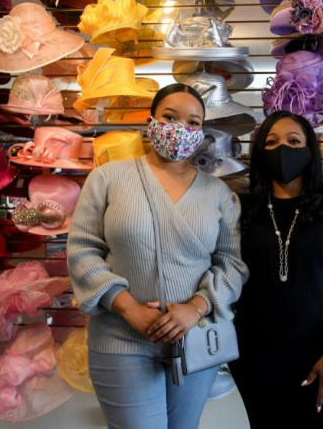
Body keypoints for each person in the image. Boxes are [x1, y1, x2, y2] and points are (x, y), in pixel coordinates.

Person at [67, 83, 249, 429]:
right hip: (120, 337)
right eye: (170, 116)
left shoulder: (218, 193)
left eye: (193, 122)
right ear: (151, 121)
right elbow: (82, 249)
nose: (181, 128)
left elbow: (232, 263)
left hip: (194, 338)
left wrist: (195, 308)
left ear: (202, 132)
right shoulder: (107, 178)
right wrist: (128, 308)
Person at [229, 110, 323, 429]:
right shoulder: (244, 209)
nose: (282, 149)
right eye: (271, 142)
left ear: (310, 149)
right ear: (259, 152)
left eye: (293, 141)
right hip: (257, 360)